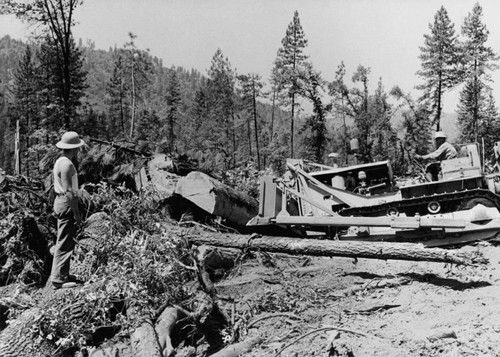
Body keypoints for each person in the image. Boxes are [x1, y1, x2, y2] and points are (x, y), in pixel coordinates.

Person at [50, 131, 85, 289]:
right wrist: (76, 213)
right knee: (64, 242)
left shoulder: (60, 161)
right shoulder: (66, 164)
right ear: (75, 148)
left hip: (60, 201)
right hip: (66, 203)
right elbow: (69, 191)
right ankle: (58, 279)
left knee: (66, 239)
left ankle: (63, 274)